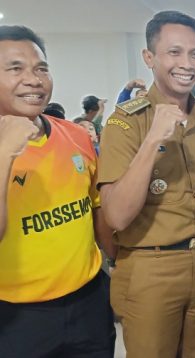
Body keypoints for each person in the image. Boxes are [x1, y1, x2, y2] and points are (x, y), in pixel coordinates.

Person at [97, 11, 195, 358]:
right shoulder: (126, 123)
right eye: (174, 52)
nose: (186, 64)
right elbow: (115, 215)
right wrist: (153, 141)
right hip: (149, 266)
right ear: (149, 57)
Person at [0, 25, 115, 357]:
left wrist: (118, 266)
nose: (33, 79)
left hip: (89, 300)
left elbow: (95, 209)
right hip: (16, 317)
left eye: (41, 68)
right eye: (15, 68)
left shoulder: (75, 136)